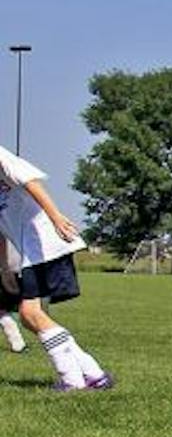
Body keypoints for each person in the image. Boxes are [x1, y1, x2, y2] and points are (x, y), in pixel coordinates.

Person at [0, 145, 112, 391]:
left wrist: (56, 217)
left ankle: (72, 380)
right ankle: (93, 373)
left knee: (30, 314)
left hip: (45, 242)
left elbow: (30, 181)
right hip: (31, 250)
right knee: (31, 318)